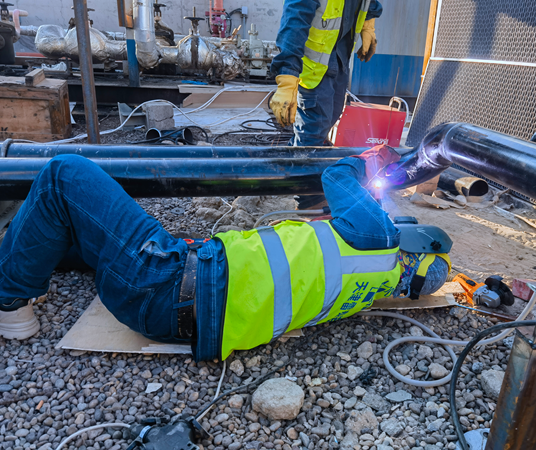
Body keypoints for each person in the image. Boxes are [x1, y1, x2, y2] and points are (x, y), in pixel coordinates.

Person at [0, 146, 450, 361]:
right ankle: (26, 256)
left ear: (410, 241)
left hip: (165, 283)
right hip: (183, 315)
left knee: (65, 174)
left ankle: (8, 301)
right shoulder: (369, 286)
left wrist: (368, 158)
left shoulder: (379, 238)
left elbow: (338, 175)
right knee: (81, 229)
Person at [270, 0, 382, 146]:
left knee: (330, 119)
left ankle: (303, 161)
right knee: (313, 132)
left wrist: (368, 22)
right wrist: (287, 76)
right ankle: (301, 165)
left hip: (340, 57)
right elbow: (296, 17)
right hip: (313, 66)